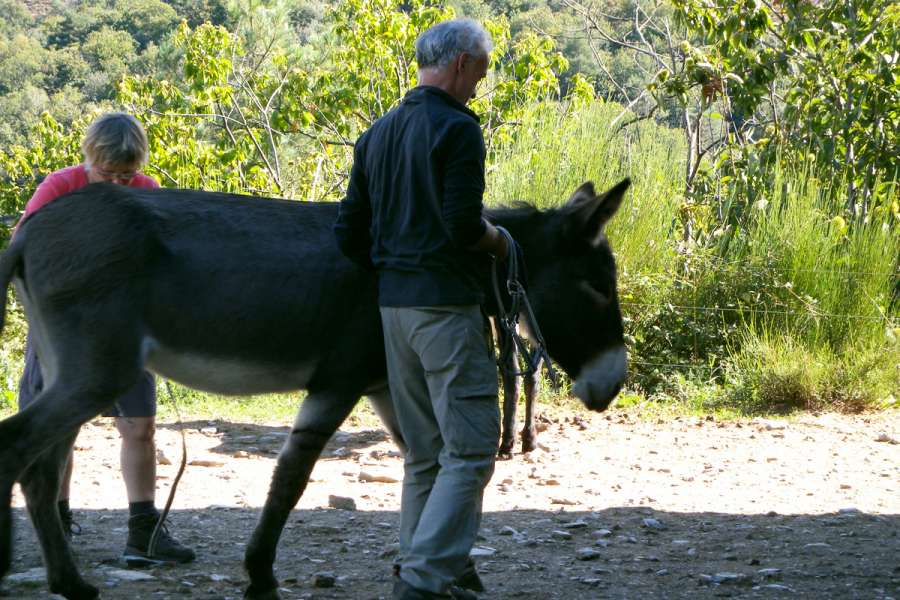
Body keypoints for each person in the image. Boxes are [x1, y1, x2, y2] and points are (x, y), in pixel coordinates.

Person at [334, 18, 508, 600]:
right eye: (481, 70)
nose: (480, 83)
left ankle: (415, 563)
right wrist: (498, 240)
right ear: (460, 63)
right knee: (472, 448)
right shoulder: (459, 130)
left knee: (424, 453)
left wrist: (393, 267)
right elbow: (463, 226)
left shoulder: (377, 132)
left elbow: (347, 234)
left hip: (394, 311)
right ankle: (425, 579)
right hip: (446, 310)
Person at [16, 112, 196, 566]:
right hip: (63, 332)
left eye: (126, 175)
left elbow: (171, 259)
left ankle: (143, 533)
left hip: (129, 333)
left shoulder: (149, 192)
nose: (117, 184)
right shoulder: (59, 187)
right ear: (87, 160)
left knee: (140, 427)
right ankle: (56, 527)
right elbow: (22, 249)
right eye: (107, 174)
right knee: (59, 427)